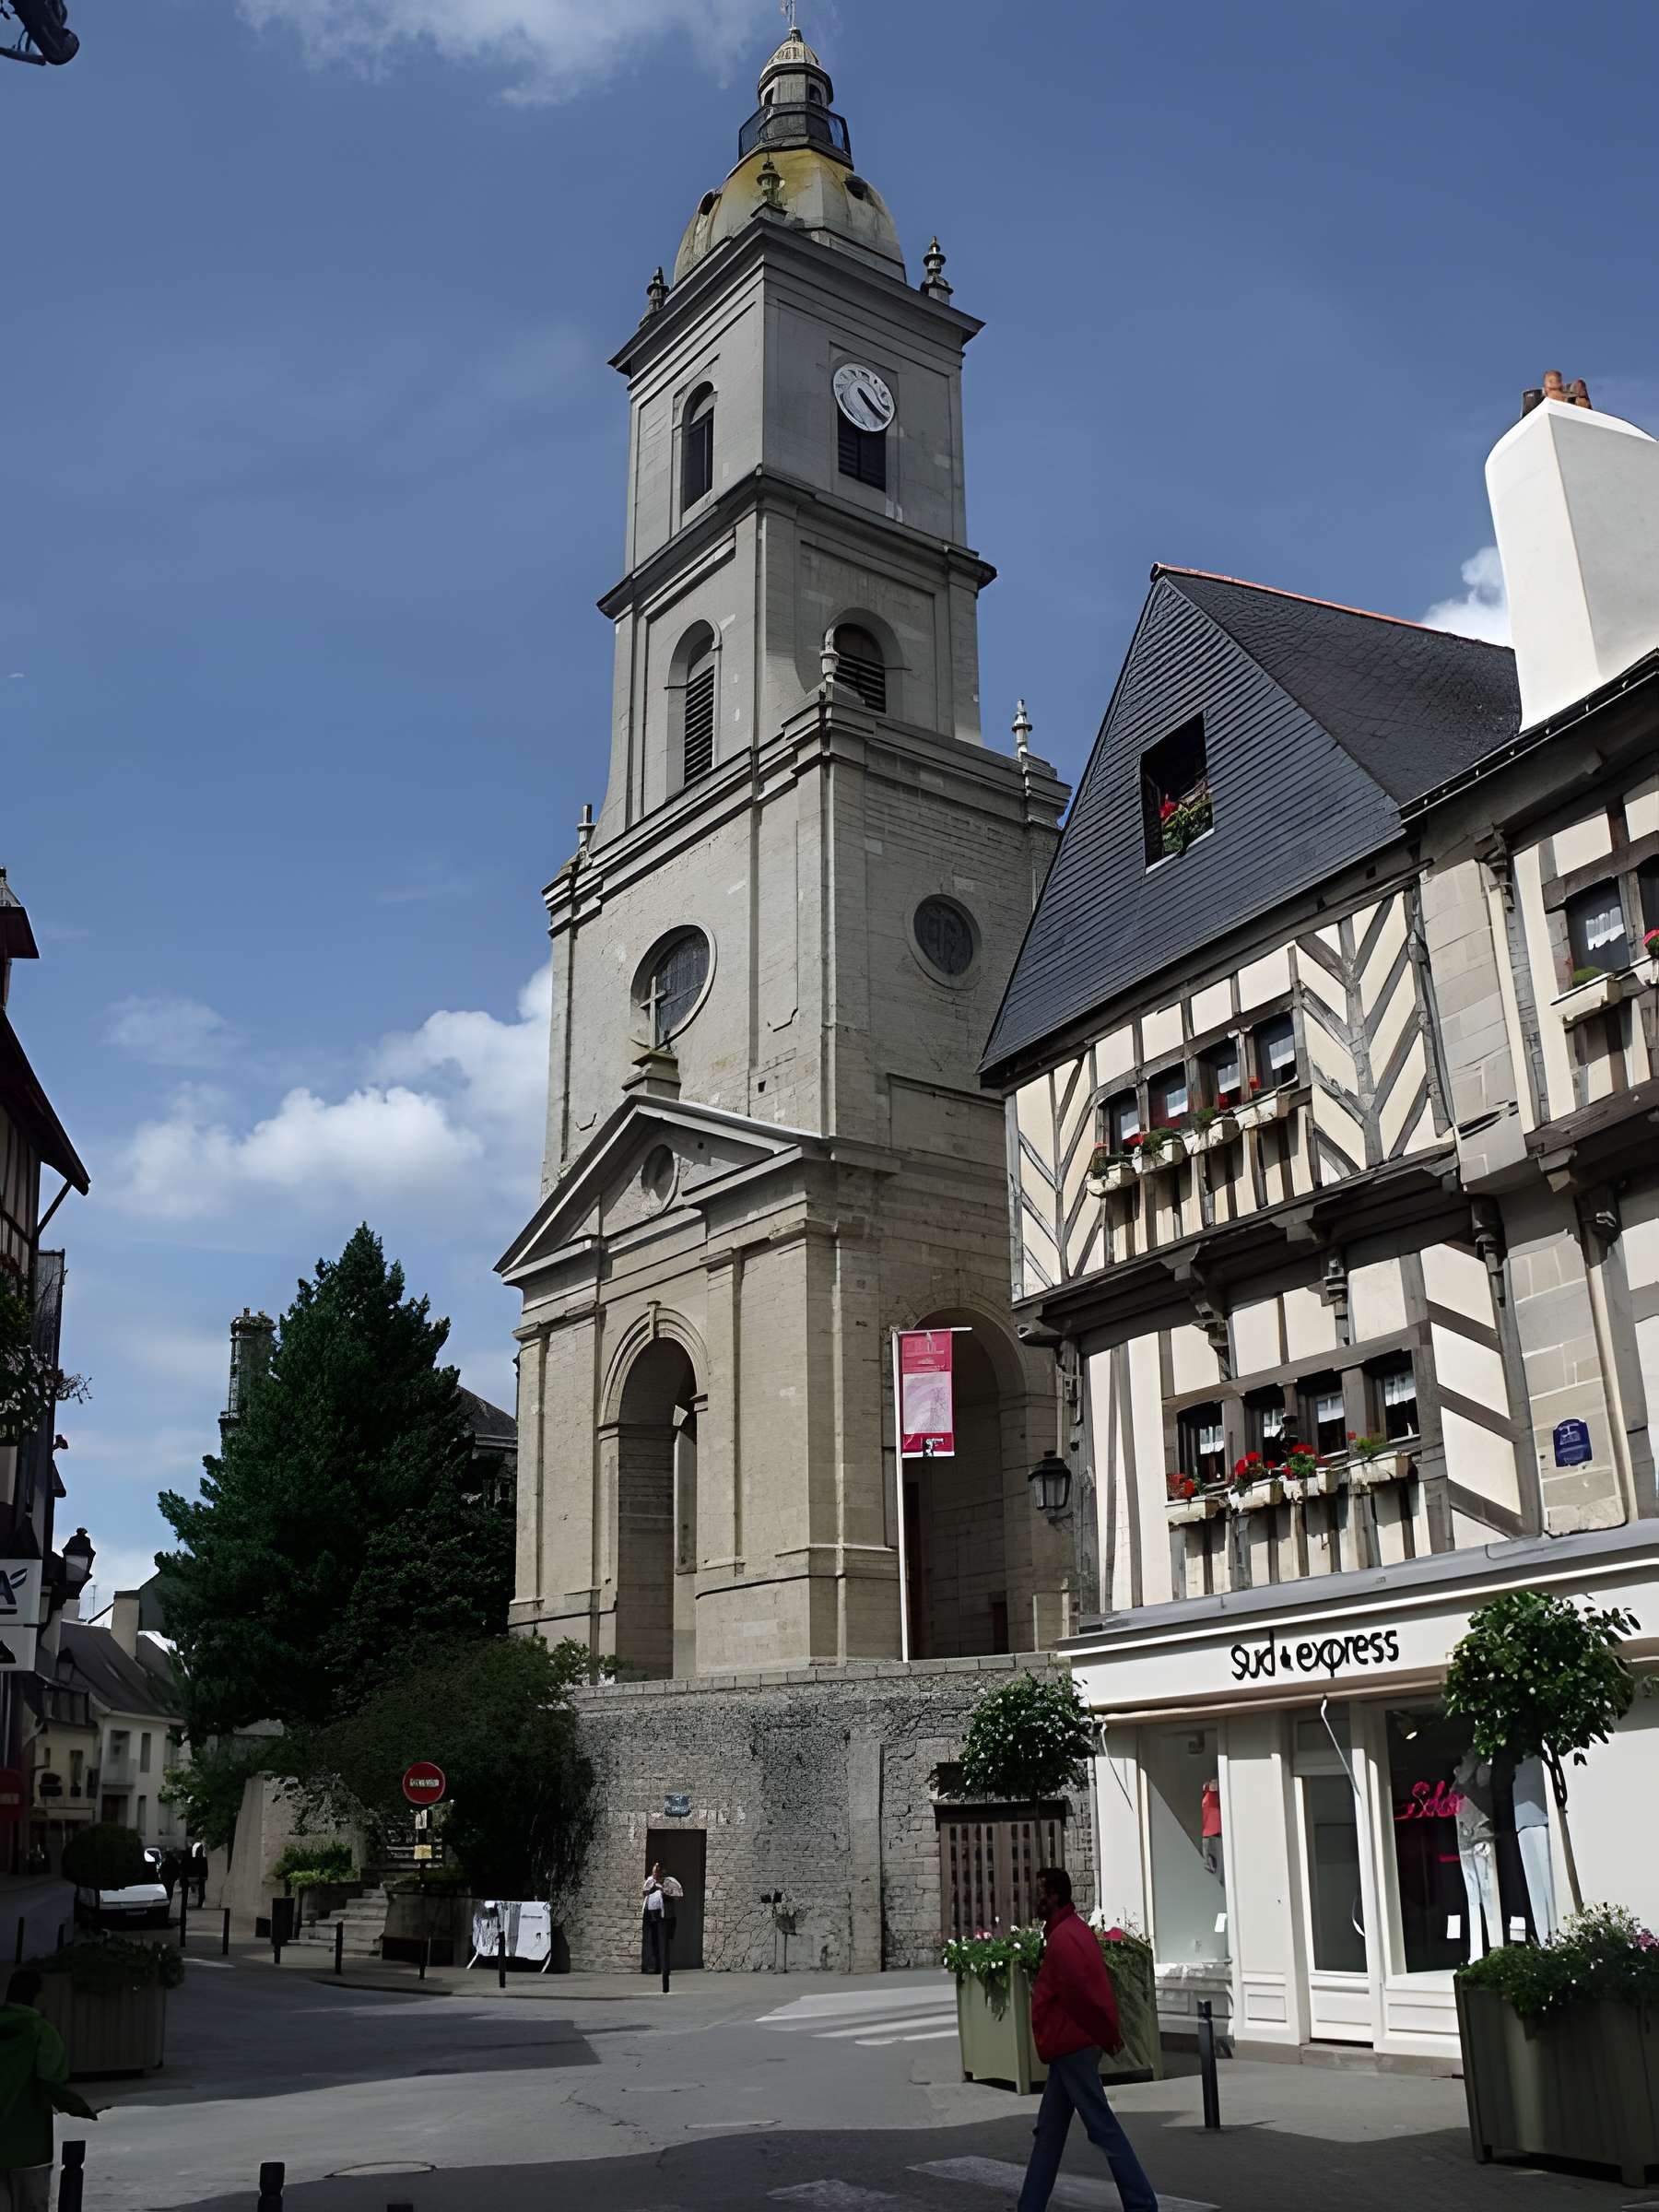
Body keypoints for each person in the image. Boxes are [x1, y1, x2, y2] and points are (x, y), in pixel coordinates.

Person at [1018, 1867, 1158, 2212]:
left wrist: (1103, 2035)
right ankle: (1030, 2205)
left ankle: (1142, 2203)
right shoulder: (1070, 1932)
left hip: (1072, 2046)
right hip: (1072, 2044)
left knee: (1102, 2128)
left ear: (1053, 1895)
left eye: (1039, 1892)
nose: (1034, 1899)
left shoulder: (1065, 1938)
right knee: (1049, 2132)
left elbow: (1083, 1995)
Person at [0, 1969, 96, 2211]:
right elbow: (52, 2079)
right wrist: (79, 2107)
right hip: (29, 2145)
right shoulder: (41, 2031)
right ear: (38, 1996)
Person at [641, 1865, 682, 1993]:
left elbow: (677, 1896)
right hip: (653, 1918)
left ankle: (665, 1969)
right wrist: (653, 1889)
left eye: (657, 1873)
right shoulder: (651, 1882)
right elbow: (645, 1894)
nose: (655, 1876)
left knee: (665, 1945)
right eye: (654, 1873)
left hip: (666, 1918)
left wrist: (664, 1893)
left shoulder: (669, 1882)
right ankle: (657, 1966)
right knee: (655, 1943)